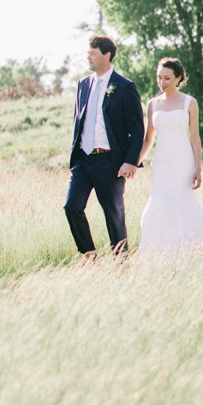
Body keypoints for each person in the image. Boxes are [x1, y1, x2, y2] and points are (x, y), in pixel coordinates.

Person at [136, 57, 203, 255]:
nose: (162, 82)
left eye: (167, 78)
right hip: (161, 164)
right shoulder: (152, 104)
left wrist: (198, 168)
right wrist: (135, 162)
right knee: (158, 205)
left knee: (183, 204)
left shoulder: (189, 103)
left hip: (183, 163)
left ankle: (192, 247)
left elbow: (195, 138)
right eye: (159, 78)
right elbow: (148, 139)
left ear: (178, 78)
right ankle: (159, 251)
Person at [64, 34, 145, 257]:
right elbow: (77, 121)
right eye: (88, 52)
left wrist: (130, 161)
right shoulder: (82, 85)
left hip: (109, 161)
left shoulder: (125, 86)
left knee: (113, 214)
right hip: (82, 159)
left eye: (93, 53)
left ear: (106, 55)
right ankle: (90, 256)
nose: (88, 56)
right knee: (71, 207)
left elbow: (137, 130)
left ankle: (121, 263)